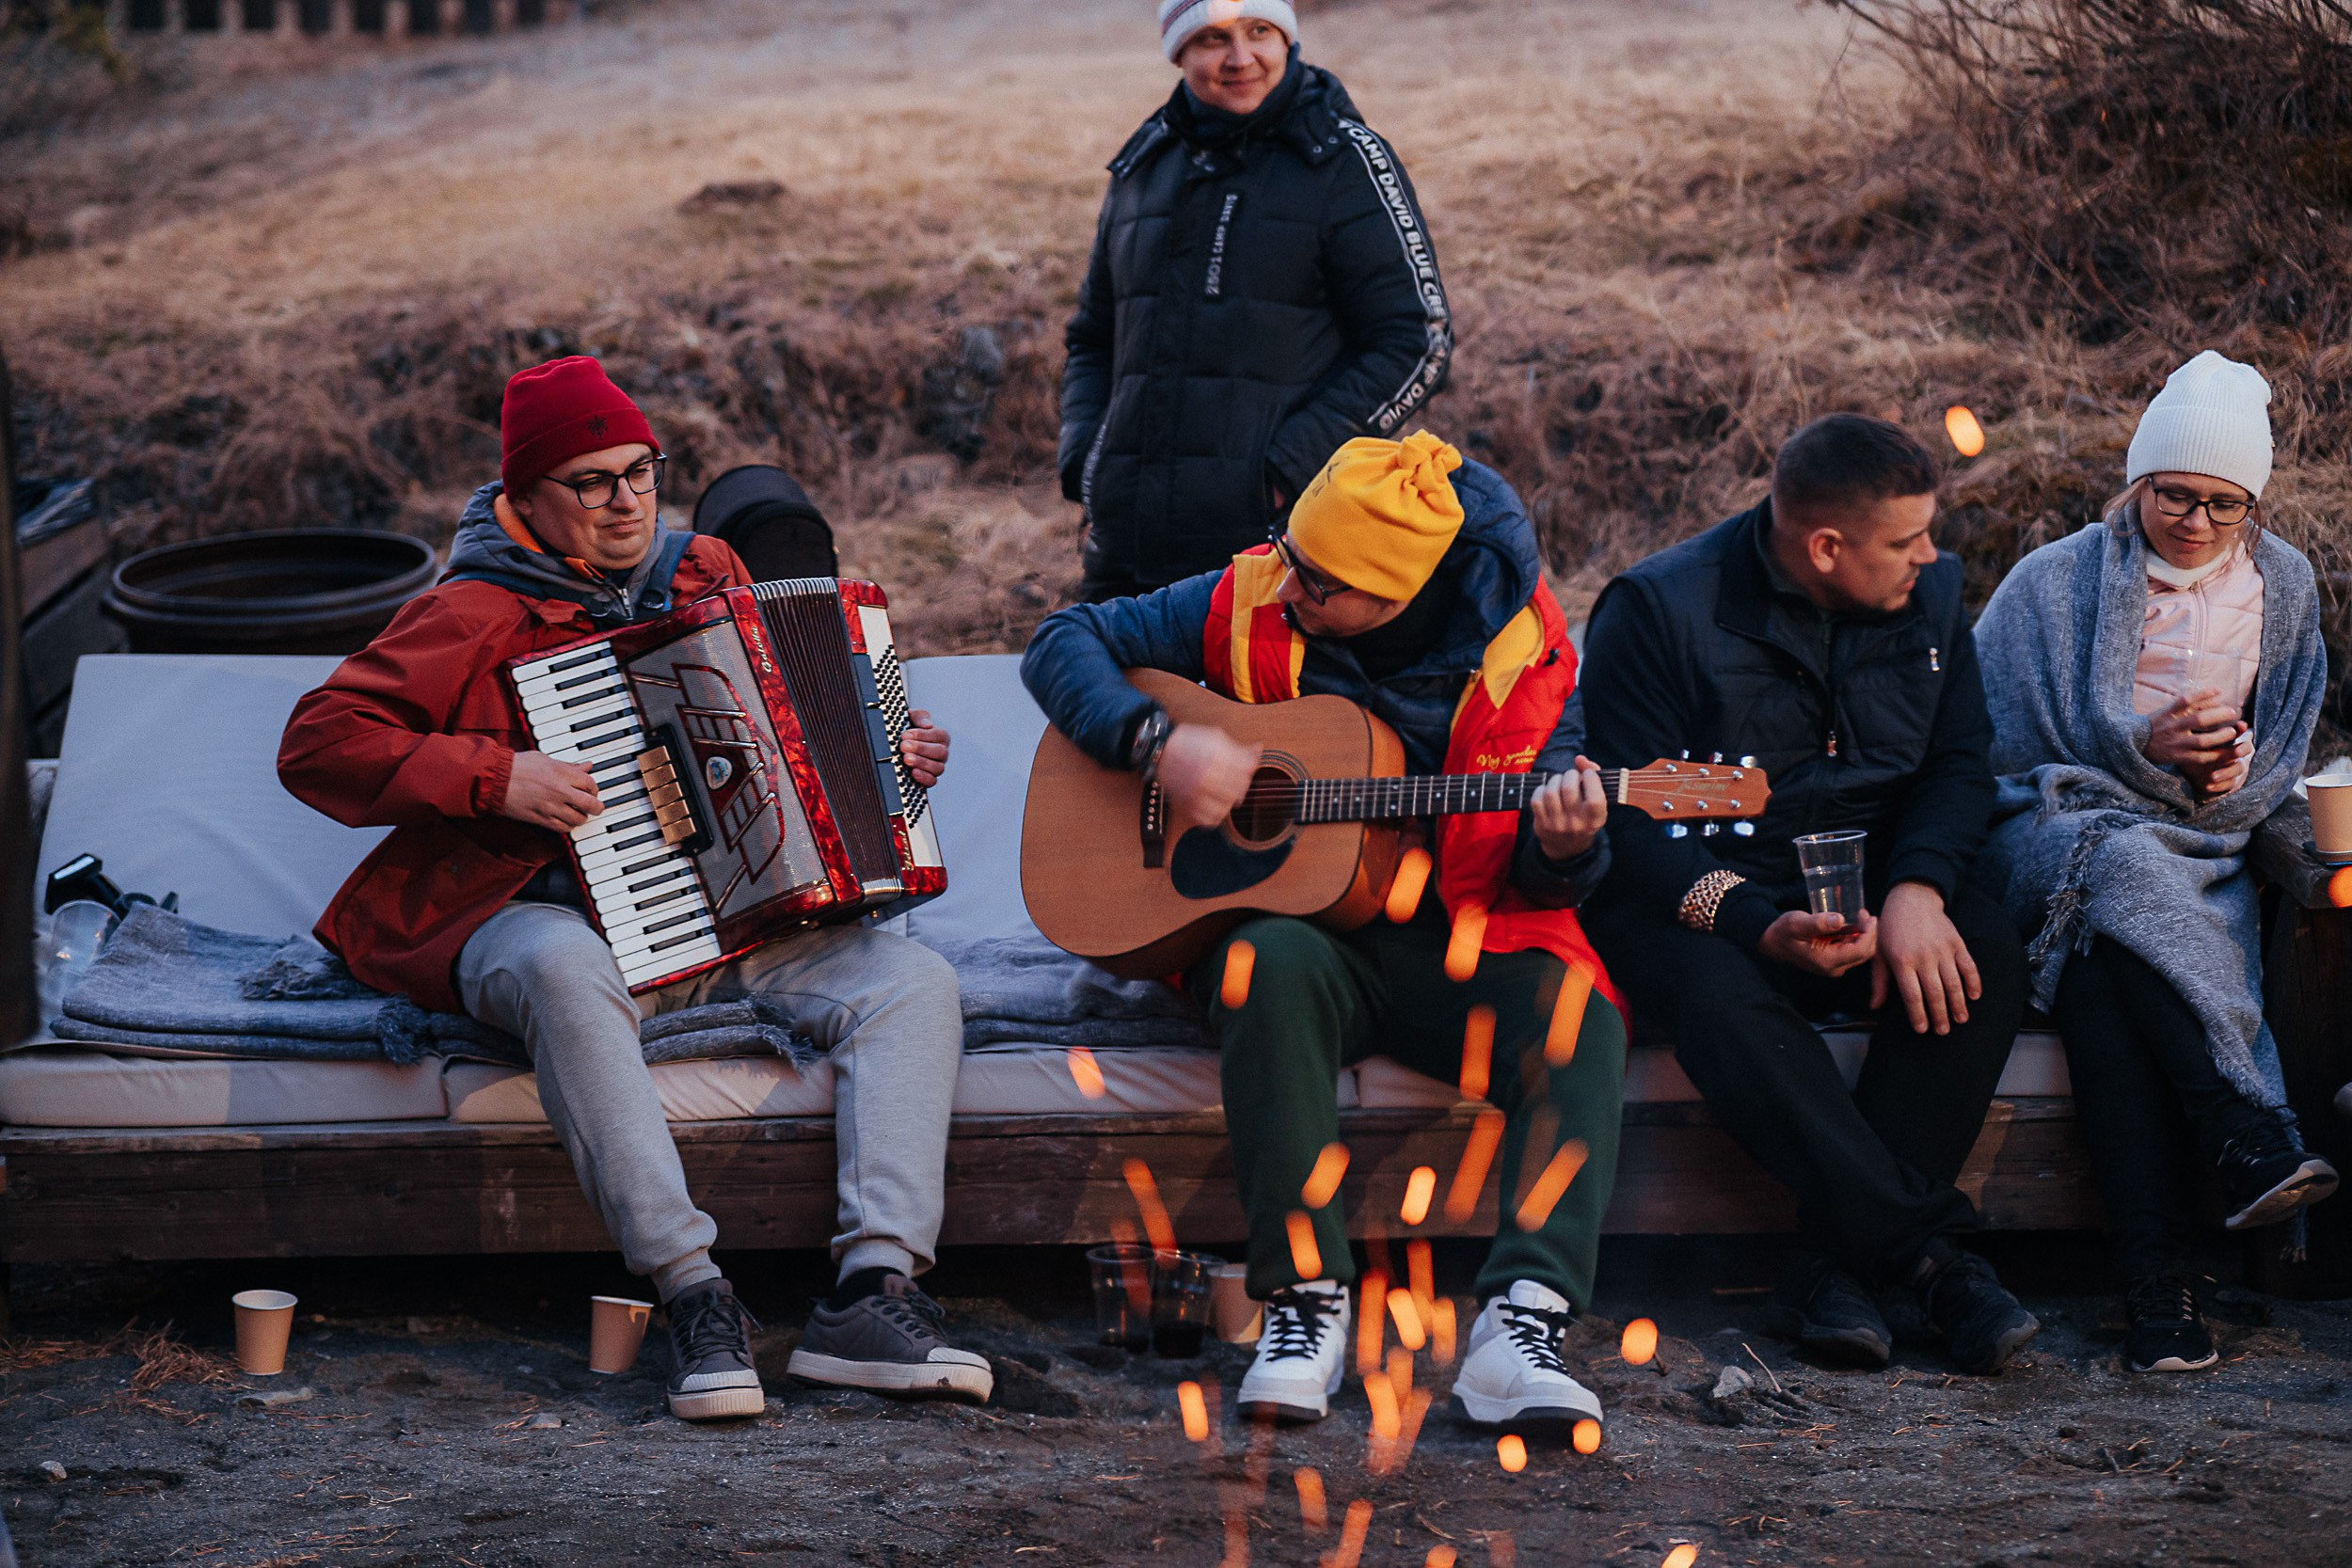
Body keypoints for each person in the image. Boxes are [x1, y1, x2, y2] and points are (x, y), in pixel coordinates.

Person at [278, 356, 992, 1421]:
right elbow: (318, 742)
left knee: (912, 982)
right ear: (524, 496)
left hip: (724, 917)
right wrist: (494, 774)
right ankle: (693, 1293)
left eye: (642, 471)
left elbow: (780, 733)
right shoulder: (469, 612)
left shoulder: (704, 569)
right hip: (533, 908)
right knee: (566, 969)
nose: (627, 501)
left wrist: (890, 752)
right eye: (592, 481)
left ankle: (871, 1293)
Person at [1025, 433, 1629, 1432]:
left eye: (1319, 581)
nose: (1289, 586)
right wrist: (1156, 742)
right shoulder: (1257, 591)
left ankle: (1523, 1321)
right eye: (1289, 554)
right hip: (1304, 936)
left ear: (1394, 593)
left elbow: (1542, 868)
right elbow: (1062, 641)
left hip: (1457, 934)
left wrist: (1568, 849)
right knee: (1263, 962)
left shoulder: (1529, 654)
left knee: (1578, 1016)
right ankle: (1305, 1301)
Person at [1578, 413, 2040, 1375]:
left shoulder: (1929, 595)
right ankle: (1927, 1256)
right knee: (1714, 995)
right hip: (1706, 895)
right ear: (1826, 546)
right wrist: (1755, 921)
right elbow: (1630, 831)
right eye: (1905, 541)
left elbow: (1959, 763)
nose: (1931, 557)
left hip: (1873, 882)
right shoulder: (1657, 609)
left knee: (1984, 953)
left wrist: (1917, 889)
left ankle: (1829, 1269)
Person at [1974, 351, 2339, 1374]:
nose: (2195, 520)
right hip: (2053, 825)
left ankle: (2156, 1288)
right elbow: (1988, 745)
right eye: (2173, 493)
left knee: (2101, 965)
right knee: (2118, 862)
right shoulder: (2053, 579)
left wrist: (2219, 775)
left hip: (2204, 844)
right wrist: (2141, 750)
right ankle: (2244, 1126)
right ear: (2137, 480)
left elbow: (2285, 739)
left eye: (2224, 503)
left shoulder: (2283, 585)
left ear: (2254, 505)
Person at [1058, 0, 1453, 600]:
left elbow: (1417, 340)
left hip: (1274, 553)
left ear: (1286, 39)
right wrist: (1086, 463)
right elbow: (1093, 338)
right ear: (1179, 52)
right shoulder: (1143, 165)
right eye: (1213, 38)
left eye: (1259, 31)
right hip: (1124, 551)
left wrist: (1286, 469)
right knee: (1087, 664)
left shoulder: (1344, 161)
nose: (1241, 58)